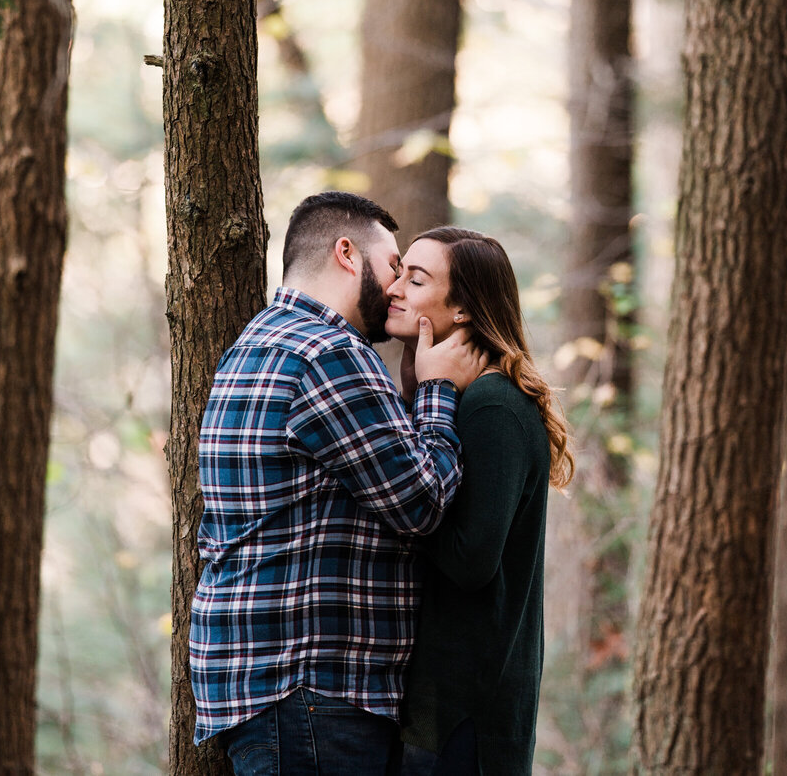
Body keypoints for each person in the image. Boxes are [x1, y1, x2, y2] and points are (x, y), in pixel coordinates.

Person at [191, 192, 488, 775]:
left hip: (276, 693)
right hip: (314, 695)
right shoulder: (329, 352)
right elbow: (422, 503)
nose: (399, 283)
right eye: (394, 263)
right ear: (348, 254)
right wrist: (436, 390)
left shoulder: (258, 343)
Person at [384, 227, 576, 776]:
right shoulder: (464, 394)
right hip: (445, 711)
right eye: (399, 271)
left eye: (415, 280)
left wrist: (394, 509)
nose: (394, 287)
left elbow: (471, 561)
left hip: (466, 718)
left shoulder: (492, 402)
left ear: (464, 308)